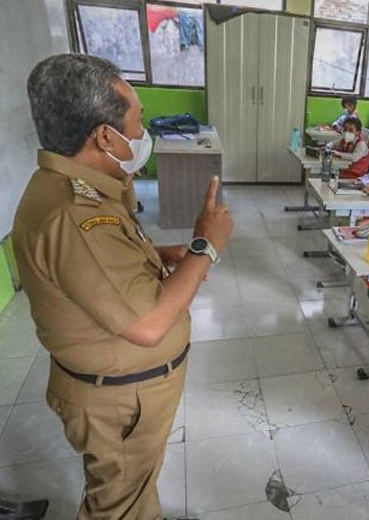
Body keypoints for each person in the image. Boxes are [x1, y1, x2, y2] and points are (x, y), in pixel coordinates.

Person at [13, 54, 233, 519]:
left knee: (132, 488)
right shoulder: (75, 216)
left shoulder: (72, 187)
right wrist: (205, 245)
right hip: (120, 398)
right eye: (138, 122)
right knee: (117, 504)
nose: (142, 133)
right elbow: (148, 325)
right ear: (104, 136)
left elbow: (100, 270)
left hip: (118, 387)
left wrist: (158, 255)